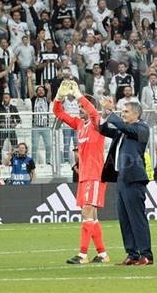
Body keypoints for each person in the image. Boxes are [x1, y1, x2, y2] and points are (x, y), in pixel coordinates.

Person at [53, 80, 109, 265]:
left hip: (95, 174)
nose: (80, 110)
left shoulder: (96, 123)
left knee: (87, 213)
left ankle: (83, 254)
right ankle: (102, 254)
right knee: (91, 216)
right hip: (85, 176)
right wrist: (59, 97)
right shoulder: (79, 124)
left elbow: (93, 112)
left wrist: (79, 95)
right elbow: (58, 113)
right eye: (78, 107)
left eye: (81, 107)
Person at [99, 97, 153, 265]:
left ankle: (146, 254)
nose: (122, 114)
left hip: (134, 179)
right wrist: (104, 113)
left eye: (126, 112)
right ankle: (132, 254)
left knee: (137, 218)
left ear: (136, 114)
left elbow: (121, 125)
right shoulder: (124, 130)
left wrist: (110, 111)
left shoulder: (142, 128)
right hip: (121, 178)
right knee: (125, 219)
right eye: (122, 112)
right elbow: (102, 129)